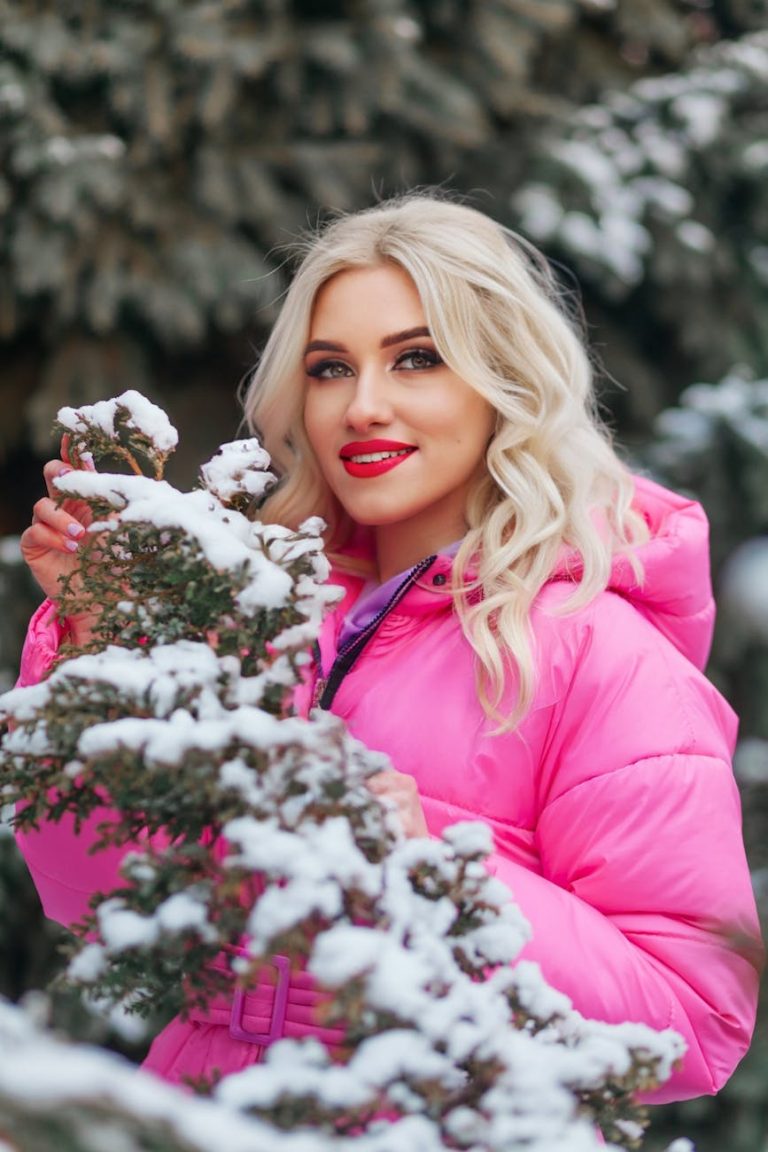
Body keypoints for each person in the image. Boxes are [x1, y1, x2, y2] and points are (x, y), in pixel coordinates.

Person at [16, 193, 763, 1102]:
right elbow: (96, 901)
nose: (363, 407)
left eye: (417, 359)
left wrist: (434, 871)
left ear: (503, 382)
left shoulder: (596, 655)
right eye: (330, 369)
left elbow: (693, 1022)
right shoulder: (260, 609)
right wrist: (106, 642)